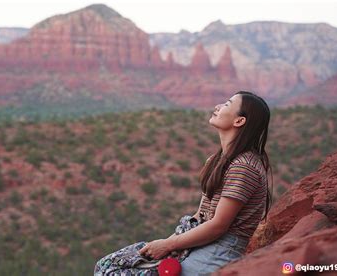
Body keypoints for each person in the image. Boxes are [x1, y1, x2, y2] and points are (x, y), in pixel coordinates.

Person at [94, 91, 272, 275]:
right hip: (198, 241)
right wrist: (166, 244)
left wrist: (168, 245)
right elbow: (201, 214)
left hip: (217, 251)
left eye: (226, 104)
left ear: (239, 121)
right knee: (108, 266)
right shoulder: (217, 160)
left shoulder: (244, 167)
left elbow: (219, 225)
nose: (217, 107)